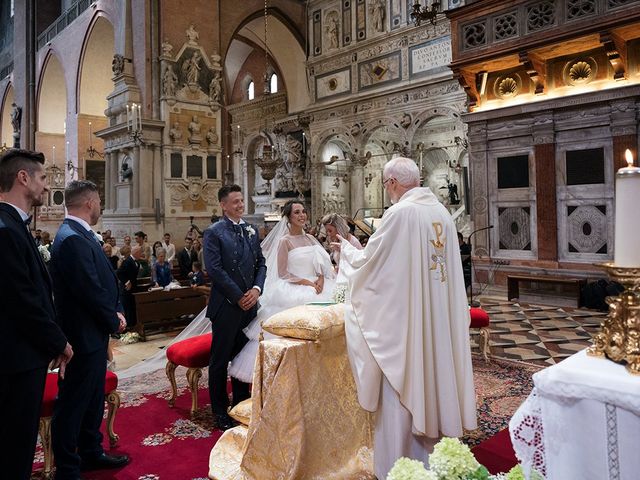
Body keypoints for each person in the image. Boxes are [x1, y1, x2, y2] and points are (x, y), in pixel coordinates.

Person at [334, 157, 477, 479]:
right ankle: (439, 459)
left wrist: (348, 253)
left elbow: (373, 269)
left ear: (392, 183)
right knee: (438, 373)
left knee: (404, 384)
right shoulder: (440, 212)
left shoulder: (400, 213)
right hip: (439, 318)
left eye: (386, 185)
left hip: (409, 326)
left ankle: (402, 467)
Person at [0, 148, 72, 480]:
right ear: (23, 177)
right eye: (42, 177)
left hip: (21, 355)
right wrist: (58, 341)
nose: (46, 186)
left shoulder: (13, 224)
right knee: (14, 446)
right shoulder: (5, 228)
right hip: (15, 360)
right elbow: (23, 300)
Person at [49, 180, 129, 479]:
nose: (100, 206)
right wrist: (113, 318)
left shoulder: (80, 234)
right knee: (73, 404)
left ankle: (91, 452)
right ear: (89, 203)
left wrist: (117, 309)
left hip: (92, 333)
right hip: (81, 336)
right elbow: (88, 289)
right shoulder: (71, 238)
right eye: (98, 201)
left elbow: (105, 279)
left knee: (93, 399)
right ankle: (68, 468)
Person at [228, 200, 337, 383]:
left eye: (303, 211)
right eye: (297, 212)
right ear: (288, 217)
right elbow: (283, 273)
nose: (302, 215)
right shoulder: (284, 242)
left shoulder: (310, 238)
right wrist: (307, 283)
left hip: (317, 286)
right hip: (295, 288)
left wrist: (320, 279)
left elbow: (321, 265)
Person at [203, 184, 267, 430]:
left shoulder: (251, 229)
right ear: (223, 205)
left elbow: (261, 263)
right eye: (236, 202)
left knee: (242, 357)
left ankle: (241, 402)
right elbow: (215, 270)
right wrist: (239, 295)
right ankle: (220, 410)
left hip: (250, 305)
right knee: (220, 361)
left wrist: (256, 290)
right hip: (227, 306)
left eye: (242, 200)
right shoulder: (214, 232)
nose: (241, 205)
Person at [117, 244, 141, 329]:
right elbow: (119, 272)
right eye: (140, 252)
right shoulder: (128, 261)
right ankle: (127, 326)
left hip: (133, 289)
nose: (141, 254)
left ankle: (133, 325)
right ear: (135, 252)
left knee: (132, 308)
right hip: (126, 290)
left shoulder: (136, 262)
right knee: (127, 308)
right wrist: (127, 282)